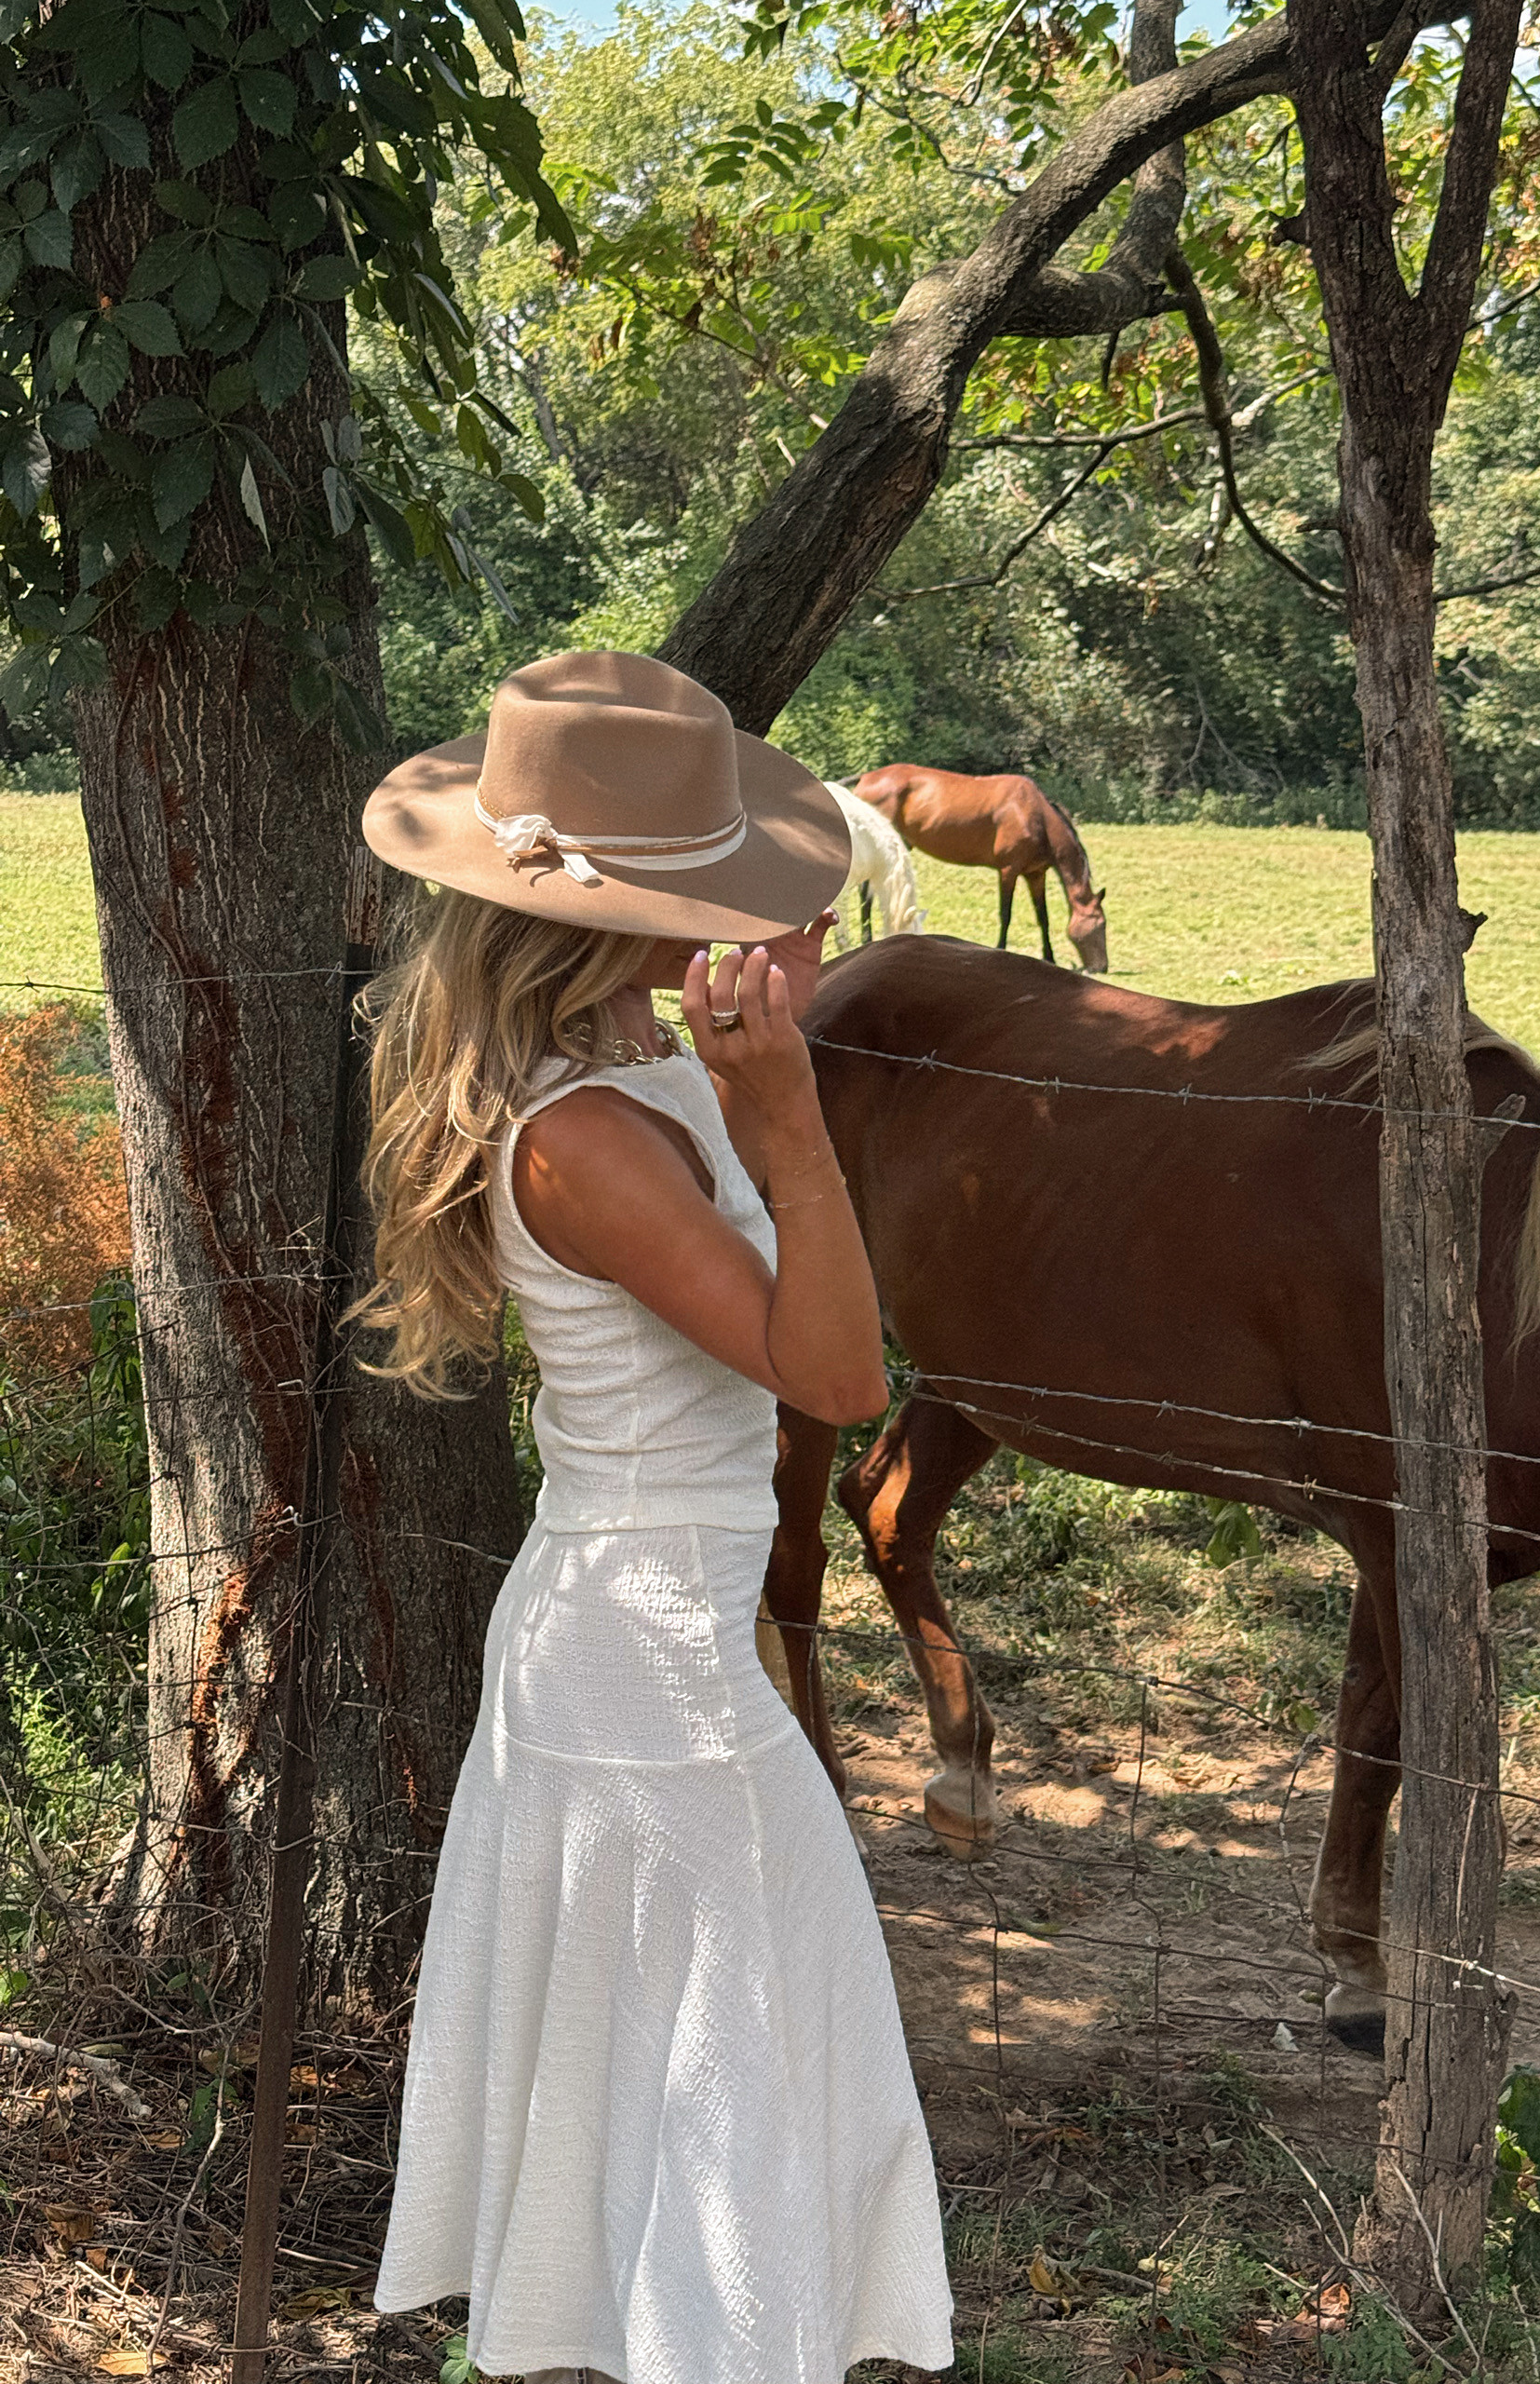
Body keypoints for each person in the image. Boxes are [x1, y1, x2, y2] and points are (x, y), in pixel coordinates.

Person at [353, 651, 955, 2384]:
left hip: (629, 1632)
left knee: (688, 2063)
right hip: (651, 1665)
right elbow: (837, 1378)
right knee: (725, 2064)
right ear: (624, 919)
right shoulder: (585, 1142)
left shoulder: (634, 1069)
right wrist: (792, 1126)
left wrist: (759, 1071)